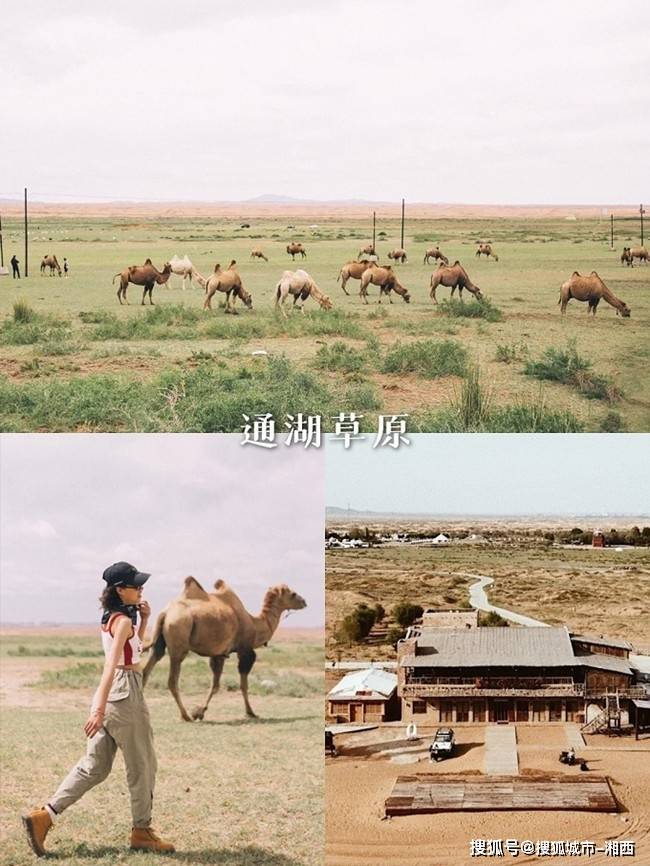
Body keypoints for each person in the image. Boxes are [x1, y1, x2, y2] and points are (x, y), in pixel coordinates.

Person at [22, 562, 175, 856]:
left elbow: (134, 649)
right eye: (136, 585)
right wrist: (97, 709)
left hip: (113, 693)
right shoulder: (123, 622)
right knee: (142, 764)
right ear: (120, 590)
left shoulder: (114, 618)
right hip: (125, 693)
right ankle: (142, 832)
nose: (141, 588)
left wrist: (145, 620)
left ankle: (44, 816)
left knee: (94, 766)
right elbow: (113, 665)